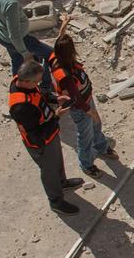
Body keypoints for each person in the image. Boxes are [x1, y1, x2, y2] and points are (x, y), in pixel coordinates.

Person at [9, 56, 82, 215]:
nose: (39, 84)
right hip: (41, 142)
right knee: (49, 170)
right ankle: (56, 201)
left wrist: (55, 98)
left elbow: (40, 92)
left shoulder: (24, 83)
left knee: (57, 160)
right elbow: (36, 134)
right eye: (36, 81)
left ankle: (62, 182)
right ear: (27, 81)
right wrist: (56, 116)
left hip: (51, 131)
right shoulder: (20, 107)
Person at [50, 21, 116, 177]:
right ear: (69, 53)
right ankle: (86, 164)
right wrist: (90, 111)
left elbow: (58, 41)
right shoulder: (65, 76)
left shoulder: (56, 56)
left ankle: (101, 146)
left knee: (96, 125)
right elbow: (75, 98)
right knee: (85, 135)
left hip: (87, 100)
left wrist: (63, 28)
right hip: (80, 107)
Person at [0, 0, 53, 86]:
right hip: (21, 40)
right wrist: (25, 53)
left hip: (2, 37)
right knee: (49, 55)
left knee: (16, 60)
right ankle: (46, 85)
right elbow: (14, 35)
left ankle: (17, 86)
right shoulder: (10, 3)